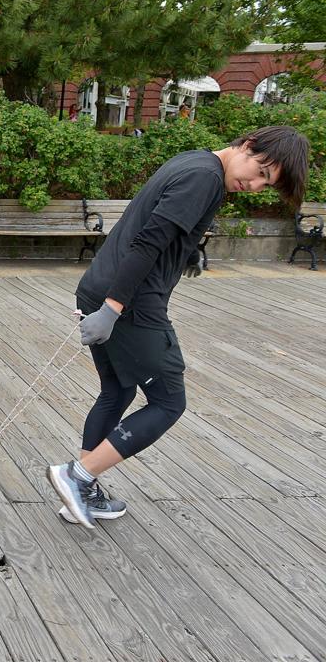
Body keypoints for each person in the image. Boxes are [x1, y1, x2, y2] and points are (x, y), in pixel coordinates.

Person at [48, 125, 309, 528]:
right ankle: (76, 476)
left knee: (117, 390)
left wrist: (185, 254)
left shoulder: (194, 161)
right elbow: (149, 241)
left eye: (265, 184)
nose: (254, 184)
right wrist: (113, 310)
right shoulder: (205, 177)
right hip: (131, 303)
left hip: (100, 286)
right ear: (249, 144)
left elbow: (158, 228)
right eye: (259, 170)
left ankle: (80, 493)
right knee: (169, 403)